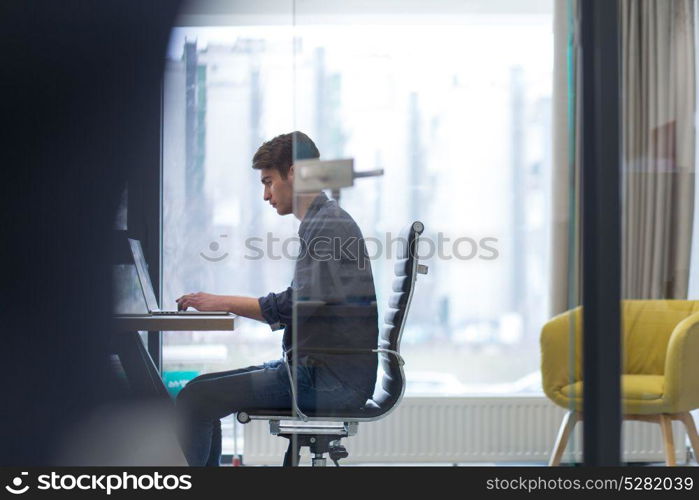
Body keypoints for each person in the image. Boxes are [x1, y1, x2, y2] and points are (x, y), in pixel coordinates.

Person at [175, 131, 379, 466]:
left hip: (327, 381)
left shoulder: (328, 226)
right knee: (199, 391)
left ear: (295, 174)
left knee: (195, 399)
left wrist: (222, 301)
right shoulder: (323, 222)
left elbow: (292, 307)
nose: (266, 195)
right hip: (320, 373)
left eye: (269, 182)